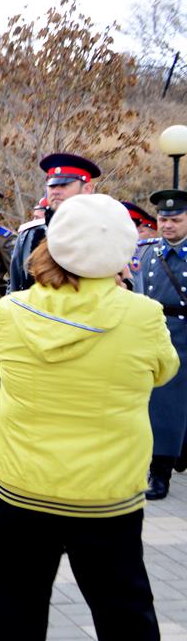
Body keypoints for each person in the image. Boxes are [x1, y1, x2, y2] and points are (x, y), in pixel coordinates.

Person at [0, 194, 180, 641]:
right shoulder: (142, 315)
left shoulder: (11, 310)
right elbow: (163, 371)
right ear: (122, 253)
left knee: (15, 614)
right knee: (126, 622)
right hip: (106, 499)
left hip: (20, 492)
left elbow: (2, 367)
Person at [135, 189, 187, 500]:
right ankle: (160, 472)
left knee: (176, 406)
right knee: (162, 406)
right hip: (156, 333)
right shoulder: (146, 252)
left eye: (176, 220)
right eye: (162, 219)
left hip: (185, 333)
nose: (167, 226)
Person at [9, 153, 99, 293]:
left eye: (64, 185)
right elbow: (16, 286)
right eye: (52, 186)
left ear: (87, 189)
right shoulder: (30, 235)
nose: (56, 191)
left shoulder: (103, 232)